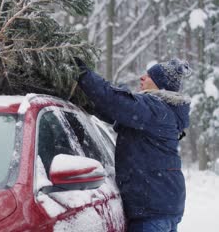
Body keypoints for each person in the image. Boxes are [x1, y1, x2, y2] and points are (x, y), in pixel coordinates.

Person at [74, 57, 191, 232]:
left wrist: (82, 73)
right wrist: (86, 101)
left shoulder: (155, 107)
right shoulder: (162, 111)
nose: (142, 78)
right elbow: (115, 111)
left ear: (161, 85)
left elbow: (114, 102)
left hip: (152, 210)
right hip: (162, 205)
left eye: (150, 76)